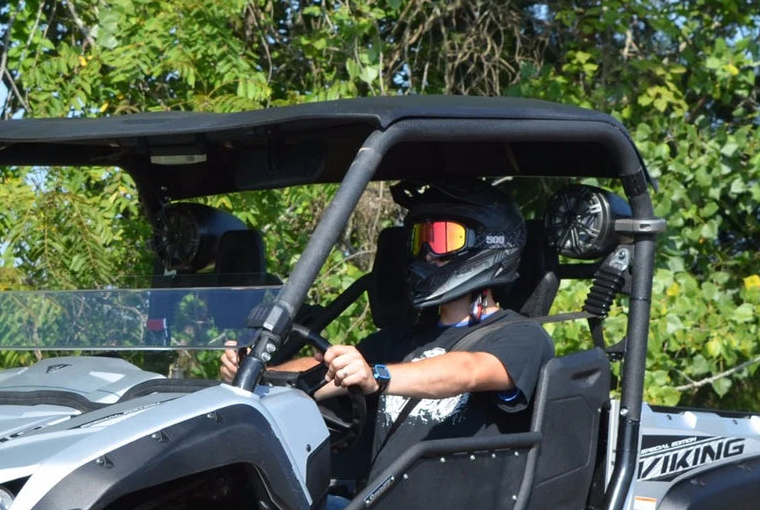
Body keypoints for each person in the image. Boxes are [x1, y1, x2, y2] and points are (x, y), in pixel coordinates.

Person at [221, 180, 553, 466]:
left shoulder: (522, 336)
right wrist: (257, 373)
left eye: (441, 238)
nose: (426, 253)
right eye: (419, 239)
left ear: (491, 244)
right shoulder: (402, 338)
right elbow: (327, 370)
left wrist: (379, 376)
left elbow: (469, 370)